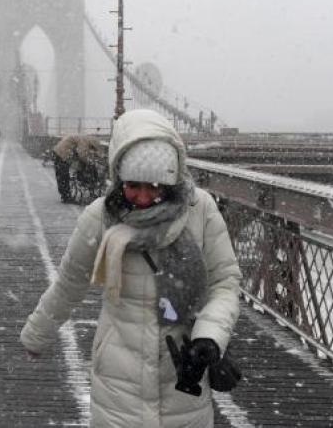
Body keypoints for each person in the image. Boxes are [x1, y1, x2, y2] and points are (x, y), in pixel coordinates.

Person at [21, 109, 242, 427]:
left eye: (155, 187)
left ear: (172, 178)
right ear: (118, 176)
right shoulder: (100, 217)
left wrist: (209, 338)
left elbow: (224, 282)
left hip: (184, 371)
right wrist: (36, 335)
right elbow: (70, 283)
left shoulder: (200, 210)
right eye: (133, 186)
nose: (142, 197)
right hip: (118, 377)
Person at [52, 134, 104, 203]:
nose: (92, 149)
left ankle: (65, 195)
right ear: (92, 144)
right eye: (92, 148)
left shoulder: (84, 138)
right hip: (61, 154)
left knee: (62, 176)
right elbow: (82, 154)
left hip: (59, 152)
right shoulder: (85, 141)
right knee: (63, 176)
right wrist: (90, 162)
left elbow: (80, 155)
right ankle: (66, 197)